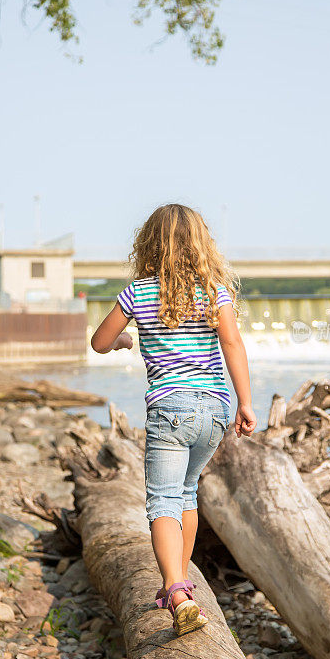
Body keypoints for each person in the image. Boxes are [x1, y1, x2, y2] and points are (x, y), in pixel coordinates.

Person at [91, 203, 256, 635]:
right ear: (202, 244)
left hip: (171, 409)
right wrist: (246, 403)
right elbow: (234, 346)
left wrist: (125, 339)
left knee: (162, 499)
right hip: (216, 409)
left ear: (148, 244)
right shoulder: (215, 291)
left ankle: (175, 589)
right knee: (186, 494)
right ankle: (180, 579)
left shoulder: (138, 292)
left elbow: (98, 341)